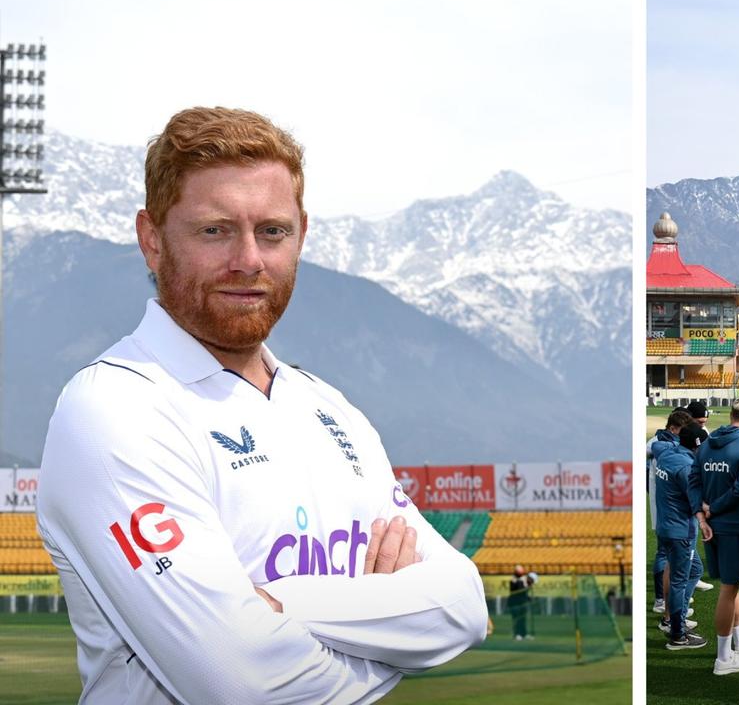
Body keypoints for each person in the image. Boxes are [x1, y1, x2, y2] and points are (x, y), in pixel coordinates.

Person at [35, 107, 488, 703]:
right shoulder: (113, 408)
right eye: (214, 230)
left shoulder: (332, 410)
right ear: (151, 239)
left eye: (272, 231)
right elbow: (242, 683)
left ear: (301, 233)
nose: (249, 259)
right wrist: (387, 642)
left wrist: (284, 606)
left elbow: (464, 606)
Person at [690, 396, 739, 675]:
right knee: (729, 589)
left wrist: (702, 514)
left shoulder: (707, 444)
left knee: (733, 585)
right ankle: (723, 658)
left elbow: (693, 480)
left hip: (712, 525)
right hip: (734, 524)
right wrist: (712, 508)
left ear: (731, 414)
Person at [655, 424, 710, 650]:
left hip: (666, 526)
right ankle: (677, 633)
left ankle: (676, 619)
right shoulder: (686, 468)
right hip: (681, 532)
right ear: (697, 447)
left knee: (695, 570)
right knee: (679, 580)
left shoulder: (668, 454)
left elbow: (657, 444)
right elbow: (697, 502)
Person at [649, 408, 696, 614]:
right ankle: (670, 612)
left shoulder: (661, 447)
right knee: (668, 561)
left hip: (665, 508)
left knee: (674, 563)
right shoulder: (670, 453)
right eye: (682, 431)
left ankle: (671, 611)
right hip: (672, 514)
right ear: (673, 428)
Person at [510, 566, 533, 640]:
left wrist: (527, 582)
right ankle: (517, 634)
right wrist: (522, 581)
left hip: (523, 603)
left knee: (523, 619)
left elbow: (527, 589)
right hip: (515, 603)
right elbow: (517, 590)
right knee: (517, 619)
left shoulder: (524, 579)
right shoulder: (513, 580)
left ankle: (524, 634)